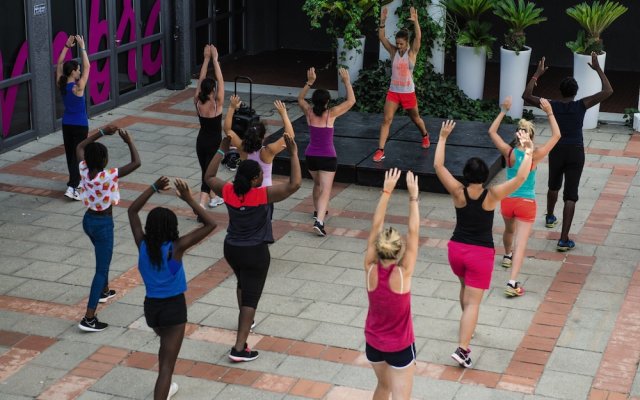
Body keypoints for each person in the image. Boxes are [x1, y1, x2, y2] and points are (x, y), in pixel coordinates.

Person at [434, 120, 533, 368]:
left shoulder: (458, 191)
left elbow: (437, 165)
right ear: (486, 175)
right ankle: (463, 348)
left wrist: (444, 137)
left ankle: (467, 329)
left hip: (456, 251)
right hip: (480, 255)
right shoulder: (493, 194)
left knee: (465, 289)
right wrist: (528, 149)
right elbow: (521, 176)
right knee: (474, 303)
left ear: (466, 175)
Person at [204, 134, 301, 362]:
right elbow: (294, 184)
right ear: (257, 180)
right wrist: (295, 154)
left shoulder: (228, 191)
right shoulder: (261, 195)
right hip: (255, 252)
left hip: (232, 249)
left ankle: (244, 324)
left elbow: (208, 176)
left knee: (242, 283)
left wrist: (221, 150)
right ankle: (239, 349)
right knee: (251, 299)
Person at [128, 176, 217, 400]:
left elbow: (132, 211)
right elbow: (211, 224)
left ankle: (166, 389)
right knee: (166, 368)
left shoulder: (142, 244)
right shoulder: (175, 248)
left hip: (152, 310)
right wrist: (189, 198)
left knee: (164, 350)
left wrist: (152, 188)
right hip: (174, 309)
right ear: (173, 228)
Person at [523, 53, 613, 251]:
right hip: (576, 152)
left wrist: (537, 74)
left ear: (560, 91)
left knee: (553, 185)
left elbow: (526, 96)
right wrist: (598, 68)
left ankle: (549, 216)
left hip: (557, 149)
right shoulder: (581, 105)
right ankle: (564, 238)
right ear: (576, 92)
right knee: (571, 195)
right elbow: (608, 90)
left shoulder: (551, 105)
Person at [487, 96, 561, 297]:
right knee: (522, 243)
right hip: (527, 203)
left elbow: (491, 132)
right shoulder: (535, 154)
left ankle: (506, 255)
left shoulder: (509, 152)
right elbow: (557, 136)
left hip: (507, 201)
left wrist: (503, 110)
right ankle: (512, 282)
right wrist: (550, 112)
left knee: (509, 230)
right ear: (531, 137)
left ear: (518, 136)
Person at [76, 125, 141, 332]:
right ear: (103, 161)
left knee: (102, 258)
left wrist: (102, 132)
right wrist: (129, 140)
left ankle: (104, 291)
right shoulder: (108, 175)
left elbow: (80, 146)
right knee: (101, 269)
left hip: (88, 221)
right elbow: (136, 163)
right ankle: (89, 317)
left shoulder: (84, 170)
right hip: (103, 224)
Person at [364, 168, 420, 400]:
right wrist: (413, 197)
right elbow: (414, 232)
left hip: (373, 345)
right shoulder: (403, 274)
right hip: (400, 348)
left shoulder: (369, 269)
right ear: (399, 251)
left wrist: (387, 191)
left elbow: (375, 226)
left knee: (383, 387)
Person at [297, 67, 356, 236]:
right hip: (327, 158)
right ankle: (319, 222)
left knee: (317, 184)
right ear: (327, 102)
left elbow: (300, 98)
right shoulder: (331, 113)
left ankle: (318, 211)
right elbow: (351, 101)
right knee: (326, 189)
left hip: (311, 157)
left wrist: (309, 82)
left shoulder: (308, 112)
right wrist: (346, 81)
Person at [373, 6, 430, 163]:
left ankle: (425, 135)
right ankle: (380, 150)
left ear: (406, 43)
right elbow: (382, 38)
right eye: (397, 43)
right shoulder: (393, 52)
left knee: (416, 119)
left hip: (408, 92)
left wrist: (416, 21)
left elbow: (418, 38)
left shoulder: (412, 53)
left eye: (401, 44)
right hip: (394, 92)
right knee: (387, 120)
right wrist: (383, 22)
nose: (398, 46)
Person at [223, 96, 295, 187]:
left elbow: (227, 130)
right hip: (265, 194)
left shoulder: (242, 148)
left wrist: (232, 107)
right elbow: (290, 136)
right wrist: (284, 114)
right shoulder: (268, 151)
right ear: (263, 136)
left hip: (247, 190)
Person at [56, 34, 90, 200]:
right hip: (80, 125)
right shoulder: (78, 87)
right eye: (77, 69)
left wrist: (67, 46)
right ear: (73, 72)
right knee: (79, 155)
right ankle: (73, 186)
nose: (80, 71)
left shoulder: (62, 84)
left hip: (67, 124)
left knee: (71, 154)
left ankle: (74, 184)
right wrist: (82, 47)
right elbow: (88, 67)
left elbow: (59, 64)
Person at [194, 44, 225, 210]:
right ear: (213, 90)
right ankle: (200, 205)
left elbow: (200, 82)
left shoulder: (198, 102)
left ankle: (214, 198)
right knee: (208, 175)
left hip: (201, 142)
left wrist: (205, 59)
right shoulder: (216, 103)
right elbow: (221, 81)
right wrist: (215, 59)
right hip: (214, 143)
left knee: (206, 171)